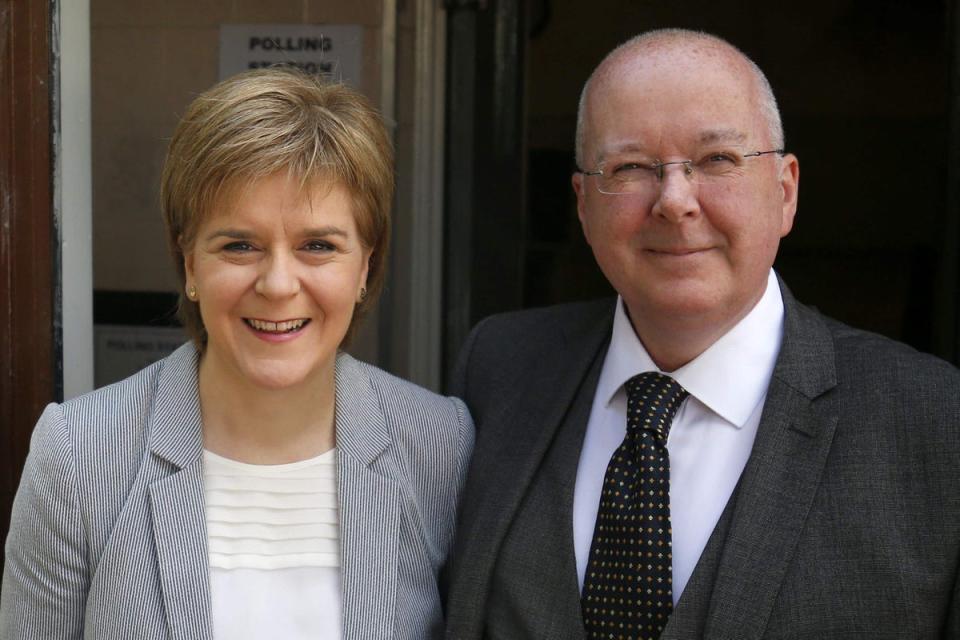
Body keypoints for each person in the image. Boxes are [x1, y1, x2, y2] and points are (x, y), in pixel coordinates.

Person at [445, 28, 960, 639]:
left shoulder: (936, 422)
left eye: (718, 160)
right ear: (583, 204)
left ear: (786, 191)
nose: (675, 200)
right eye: (631, 167)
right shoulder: (499, 368)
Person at [1, 68, 473, 639]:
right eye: (239, 245)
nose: (278, 284)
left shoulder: (439, 446)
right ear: (190, 263)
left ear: (366, 267)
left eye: (318, 245)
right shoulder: (79, 456)